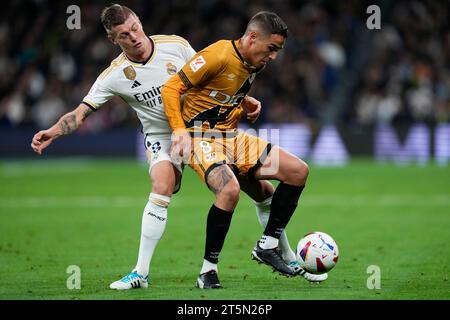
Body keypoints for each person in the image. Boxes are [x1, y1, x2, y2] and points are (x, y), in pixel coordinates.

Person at [30, 4, 309, 291]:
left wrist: (243, 99)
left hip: (204, 130)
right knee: (163, 185)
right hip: (164, 136)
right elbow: (80, 113)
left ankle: (280, 251)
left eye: (135, 27)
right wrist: (53, 131)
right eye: (124, 35)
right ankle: (141, 272)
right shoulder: (114, 75)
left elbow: (208, 75)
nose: (134, 36)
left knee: (263, 190)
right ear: (114, 40)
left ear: (140, 21)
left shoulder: (175, 46)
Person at [161, 11, 328, 289]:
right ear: (252, 37)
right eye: (271, 48)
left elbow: (220, 91)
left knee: (296, 172)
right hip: (199, 137)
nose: (273, 56)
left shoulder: (254, 63)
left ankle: (269, 245)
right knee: (229, 191)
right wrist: (179, 131)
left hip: (233, 138)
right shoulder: (217, 54)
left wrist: (244, 102)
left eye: (278, 50)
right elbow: (171, 87)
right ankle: (208, 271)